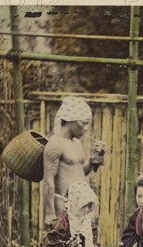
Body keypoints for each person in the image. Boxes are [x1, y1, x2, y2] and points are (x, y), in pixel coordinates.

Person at [43, 96, 105, 227]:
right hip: (64, 205)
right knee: (65, 245)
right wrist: (50, 214)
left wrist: (95, 158)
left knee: (86, 245)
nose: (86, 128)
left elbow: (78, 173)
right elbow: (48, 181)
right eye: (83, 123)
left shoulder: (76, 143)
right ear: (71, 120)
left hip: (82, 204)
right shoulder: (54, 144)